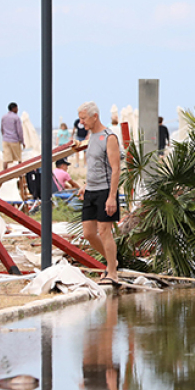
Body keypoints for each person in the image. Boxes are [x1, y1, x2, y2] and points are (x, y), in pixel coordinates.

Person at [78, 101, 122, 285]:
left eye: (83, 118)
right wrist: (86, 185)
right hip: (91, 190)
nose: (81, 122)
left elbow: (116, 169)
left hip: (105, 190)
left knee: (104, 231)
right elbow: (94, 165)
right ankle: (113, 262)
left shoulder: (109, 137)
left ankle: (112, 272)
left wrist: (112, 197)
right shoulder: (91, 137)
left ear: (95, 116)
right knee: (88, 233)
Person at [1, 102, 24, 170]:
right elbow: (19, 131)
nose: (17, 110)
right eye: (16, 108)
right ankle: (21, 172)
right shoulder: (16, 118)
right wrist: (22, 141)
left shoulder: (4, 117)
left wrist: (4, 136)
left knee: (6, 158)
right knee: (18, 158)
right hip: (14, 140)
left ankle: (4, 171)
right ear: (13, 108)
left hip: (5, 140)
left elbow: (2, 129)